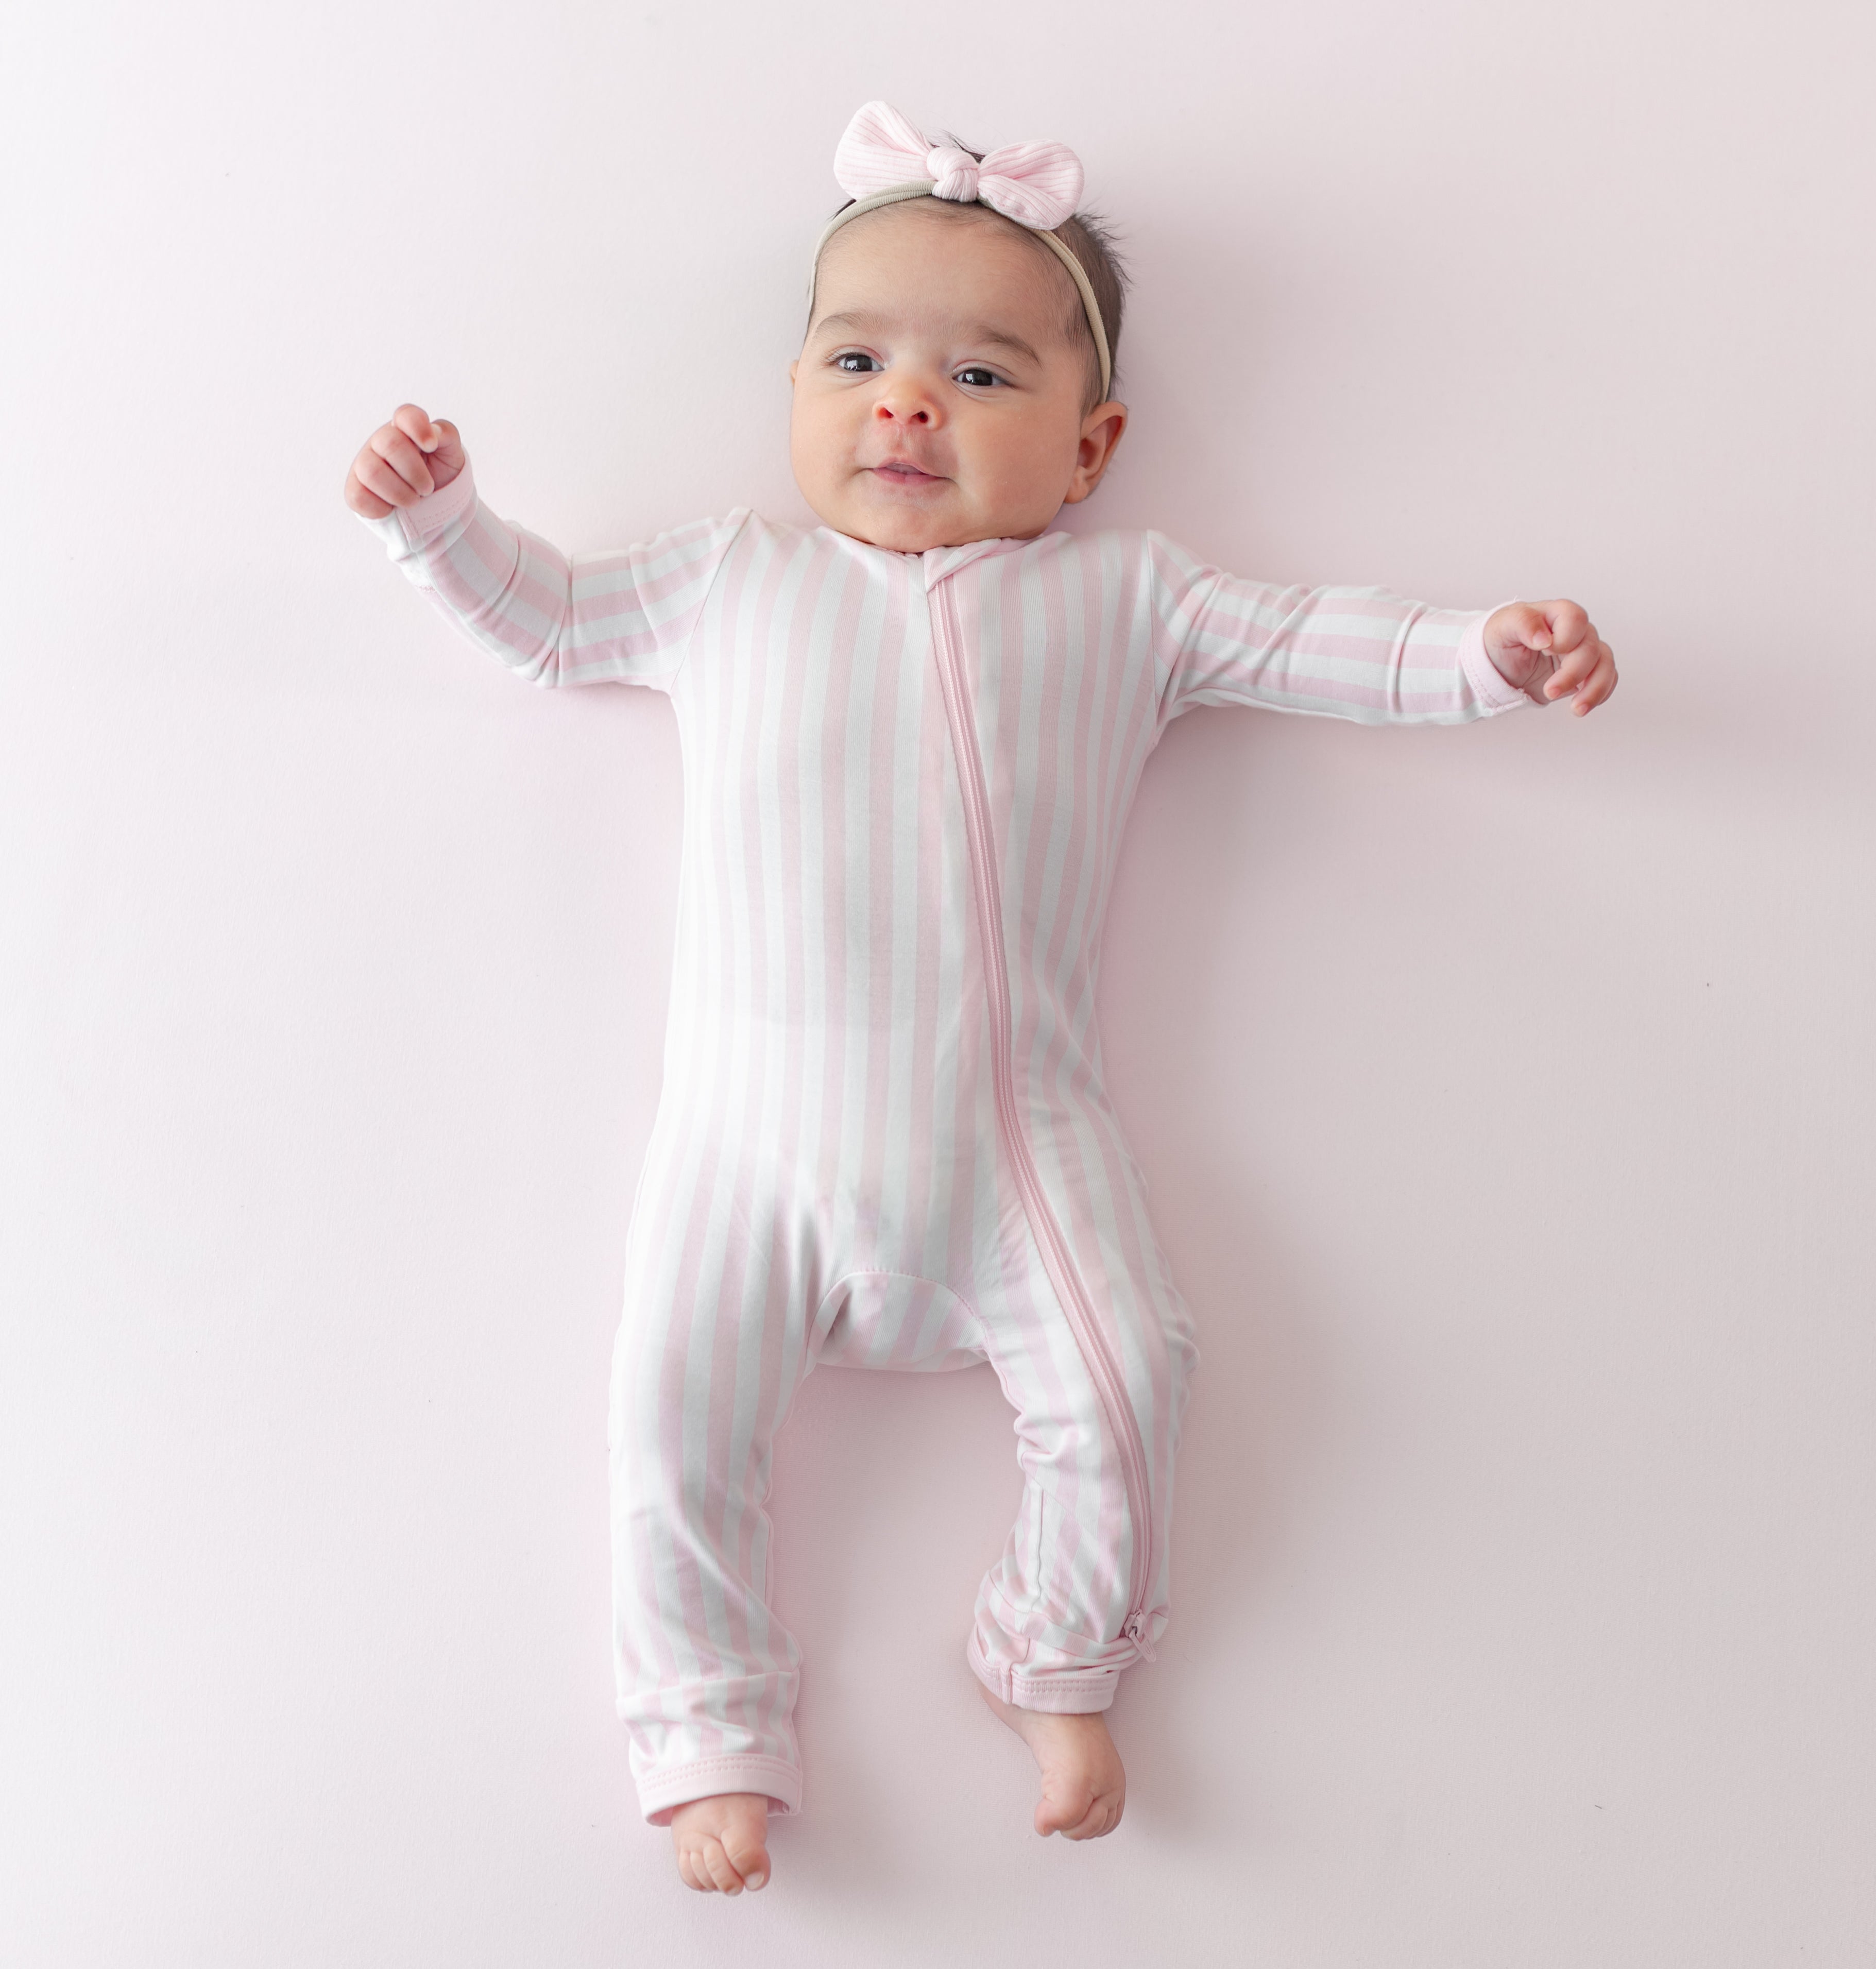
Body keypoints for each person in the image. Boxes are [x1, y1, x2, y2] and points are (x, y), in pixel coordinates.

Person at [344, 100, 1618, 1898]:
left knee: (1138, 1374)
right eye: (856, 360)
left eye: (980, 375)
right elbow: (548, 622)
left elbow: (1314, 639)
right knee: (669, 1426)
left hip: (1021, 1143)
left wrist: (1485, 654)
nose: (907, 406)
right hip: (746, 1154)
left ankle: (1055, 1660)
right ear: (797, 393)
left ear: (1092, 446)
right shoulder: (729, 581)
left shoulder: (1124, 603)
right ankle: (707, 1732)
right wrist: (442, 523)